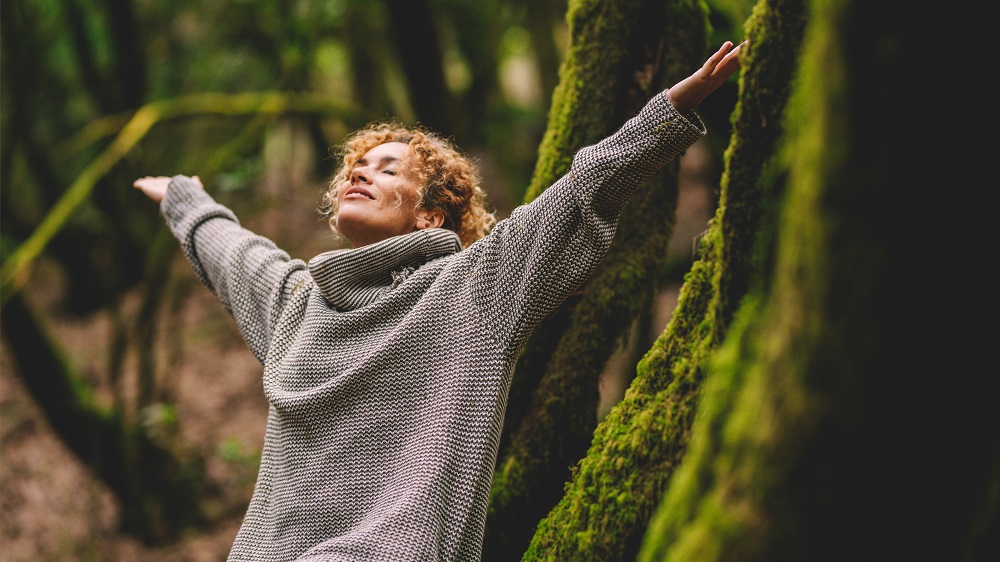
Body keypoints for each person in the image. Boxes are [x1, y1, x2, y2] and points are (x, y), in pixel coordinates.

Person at [134, 40, 744, 562]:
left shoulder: (473, 290)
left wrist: (669, 110)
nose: (360, 173)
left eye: (388, 169)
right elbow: (236, 253)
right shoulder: (298, 303)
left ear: (429, 215)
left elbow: (579, 194)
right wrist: (182, 200)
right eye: (358, 166)